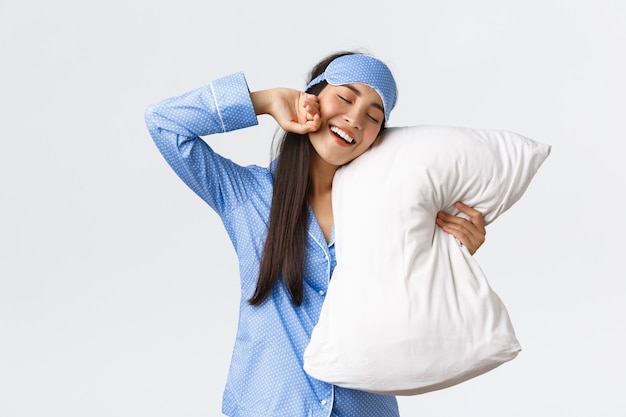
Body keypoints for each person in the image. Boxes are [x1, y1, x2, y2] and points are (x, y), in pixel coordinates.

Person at [145, 52, 486, 417]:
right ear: (311, 96)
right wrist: (264, 100)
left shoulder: (393, 214)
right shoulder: (247, 195)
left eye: (373, 117)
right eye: (345, 97)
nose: (355, 119)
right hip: (267, 406)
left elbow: (413, 316)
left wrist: (452, 256)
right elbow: (164, 123)